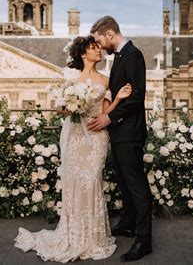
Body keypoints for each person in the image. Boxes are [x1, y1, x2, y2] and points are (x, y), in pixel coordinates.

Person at [14, 35, 132, 263]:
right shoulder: (70, 77)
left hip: (97, 135)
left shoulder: (106, 80)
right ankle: (73, 234)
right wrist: (72, 106)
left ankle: (93, 237)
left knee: (92, 181)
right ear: (82, 53)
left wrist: (117, 97)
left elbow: (105, 111)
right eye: (93, 47)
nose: (98, 51)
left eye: (99, 47)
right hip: (74, 135)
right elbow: (60, 109)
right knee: (74, 182)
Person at [87, 16, 153, 262]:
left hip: (129, 133)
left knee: (137, 186)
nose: (99, 46)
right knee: (124, 182)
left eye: (99, 40)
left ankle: (144, 241)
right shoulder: (122, 56)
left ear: (110, 34)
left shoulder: (133, 55)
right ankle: (128, 223)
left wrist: (109, 118)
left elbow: (136, 99)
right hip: (120, 133)